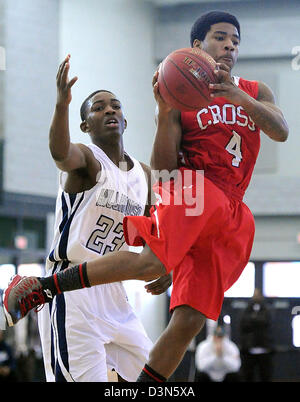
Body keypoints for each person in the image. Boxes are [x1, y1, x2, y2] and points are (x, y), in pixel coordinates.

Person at [0, 11, 288, 382]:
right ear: (197, 47)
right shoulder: (177, 93)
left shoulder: (256, 91)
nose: (230, 44)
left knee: (191, 318)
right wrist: (166, 110)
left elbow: (280, 130)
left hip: (234, 205)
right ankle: (42, 287)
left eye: (236, 39)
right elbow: (164, 165)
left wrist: (237, 97)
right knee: (152, 262)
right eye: (220, 37)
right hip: (193, 184)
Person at [2, 55, 171, 382]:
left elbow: (155, 232)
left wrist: (166, 267)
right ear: (85, 125)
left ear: (125, 120)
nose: (109, 110)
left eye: (116, 106)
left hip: (113, 290)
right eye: (98, 107)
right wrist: (62, 105)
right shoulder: (87, 159)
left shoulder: (145, 176)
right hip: (69, 289)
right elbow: (60, 153)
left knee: (154, 378)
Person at [239, 288, 274, 381]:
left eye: (258, 294)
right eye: (254, 294)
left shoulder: (267, 309)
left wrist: (253, 319)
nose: (256, 296)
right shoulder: (246, 309)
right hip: (249, 349)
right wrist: (256, 319)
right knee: (248, 376)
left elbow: (266, 322)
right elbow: (243, 323)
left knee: (265, 375)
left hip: (265, 349)